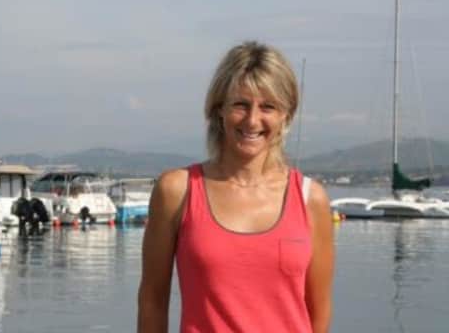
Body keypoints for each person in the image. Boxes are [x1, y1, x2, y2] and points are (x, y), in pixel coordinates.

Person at [137, 41, 334, 333]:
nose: (252, 120)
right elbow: (152, 301)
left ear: (286, 115)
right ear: (219, 110)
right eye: (240, 104)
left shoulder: (310, 199)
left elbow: (319, 313)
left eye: (268, 107)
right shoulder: (177, 191)